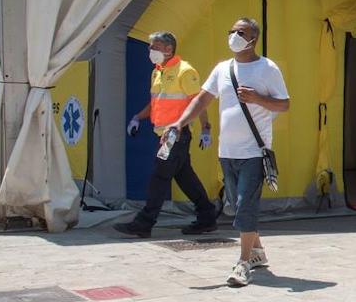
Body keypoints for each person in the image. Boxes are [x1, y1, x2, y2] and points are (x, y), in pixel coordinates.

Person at [164, 18, 290, 287]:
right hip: (227, 151)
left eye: (240, 32)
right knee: (236, 206)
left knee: (245, 205)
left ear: (253, 39)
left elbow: (284, 105)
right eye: (231, 30)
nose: (233, 35)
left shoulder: (267, 68)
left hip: (255, 152)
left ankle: (242, 263)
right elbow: (202, 99)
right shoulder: (223, 69)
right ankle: (257, 252)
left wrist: (257, 99)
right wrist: (179, 122)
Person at [115, 32, 217, 238]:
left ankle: (144, 223)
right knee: (185, 177)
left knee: (159, 177)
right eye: (150, 47)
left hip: (176, 135)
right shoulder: (157, 72)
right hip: (161, 134)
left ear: (169, 49)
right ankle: (207, 215)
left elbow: (198, 102)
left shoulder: (185, 71)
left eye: (155, 47)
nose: (150, 51)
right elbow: (157, 103)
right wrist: (138, 117)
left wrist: (205, 128)